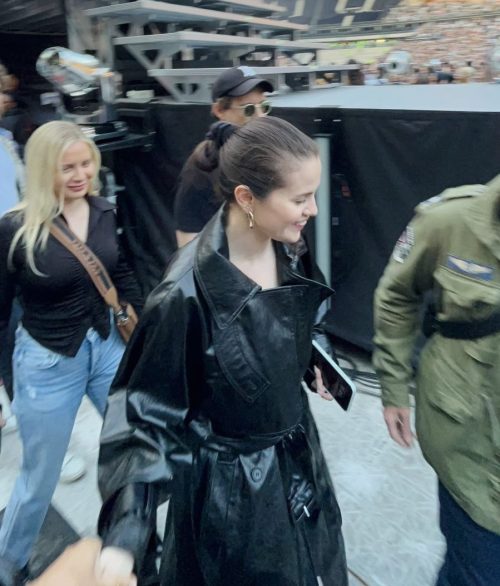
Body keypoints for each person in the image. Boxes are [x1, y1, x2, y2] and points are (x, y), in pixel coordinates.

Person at [95, 117, 348, 585]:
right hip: (232, 494)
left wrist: (315, 353)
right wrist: (126, 533)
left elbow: (302, 312)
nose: (312, 210)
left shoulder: (288, 244)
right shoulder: (182, 296)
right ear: (247, 198)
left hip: (298, 458)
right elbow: (142, 415)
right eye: (299, 199)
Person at [0, 120, 143, 583]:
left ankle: (128, 543)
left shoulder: (105, 211)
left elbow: (123, 273)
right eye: (68, 168)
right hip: (46, 361)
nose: (81, 175)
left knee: (133, 447)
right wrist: (7, 382)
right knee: (40, 477)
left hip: (107, 346)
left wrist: (138, 323)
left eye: (86, 164)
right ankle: (10, 559)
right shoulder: (15, 229)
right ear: (45, 170)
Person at [373, 175, 500, 586]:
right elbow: (396, 294)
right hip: (472, 447)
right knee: (476, 571)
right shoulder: (450, 220)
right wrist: (394, 387)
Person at [174, 66, 273, 248]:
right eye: (249, 109)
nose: (260, 117)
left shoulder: (272, 153)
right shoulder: (201, 168)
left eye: (265, 106)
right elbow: (188, 245)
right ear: (219, 110)